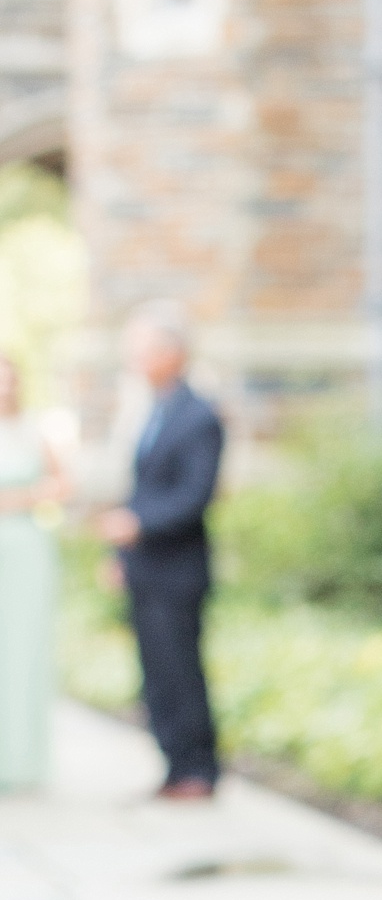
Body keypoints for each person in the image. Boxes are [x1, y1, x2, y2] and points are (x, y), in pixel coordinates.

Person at [97, 302, 224, 799]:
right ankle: (173, 766)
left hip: (179, 569)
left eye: (142, 349)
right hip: (145, 567)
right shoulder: (150, 411)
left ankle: (198, 769)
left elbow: (195, 495)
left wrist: (138, 524)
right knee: (155, 674)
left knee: (182, 669)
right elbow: (141, 487)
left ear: (173, 353)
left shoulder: (199, 416)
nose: (134, 359)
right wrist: (120, 555)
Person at [0, 353, 67, 790]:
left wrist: (23, 499)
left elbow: (62, 482)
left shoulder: (33, 431)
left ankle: (20, 761)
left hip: (24, 550)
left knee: (22, 652)